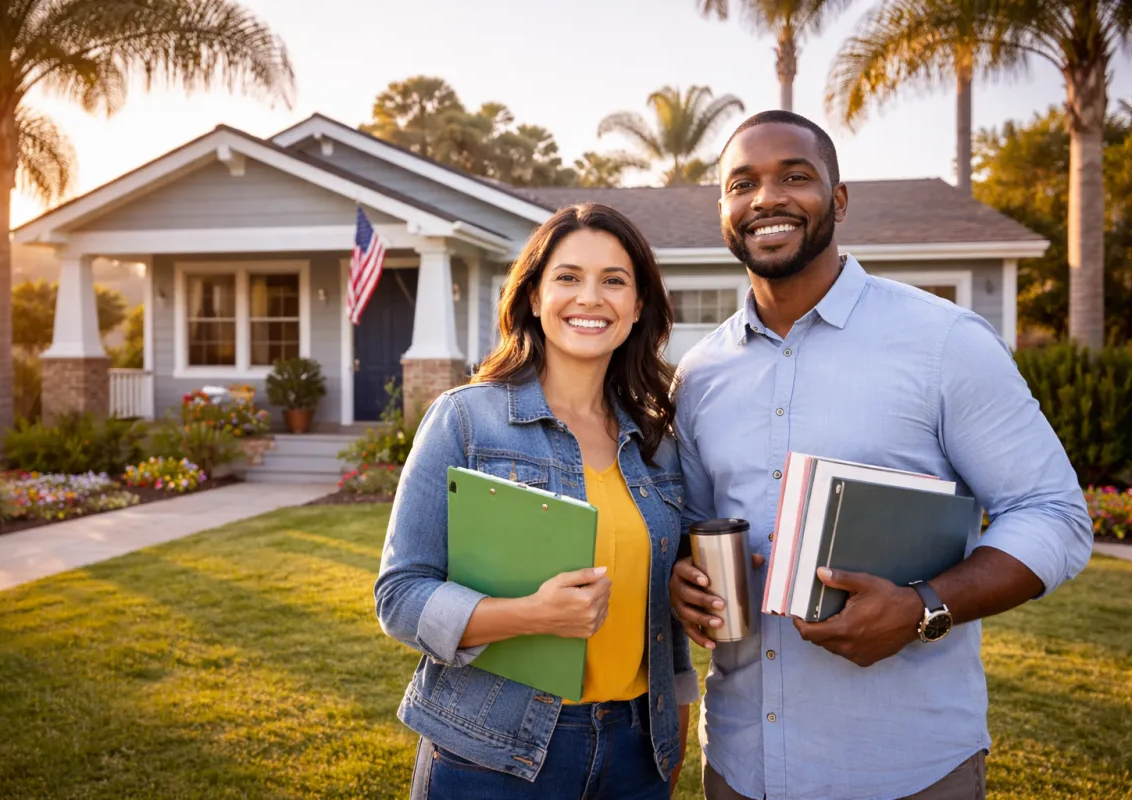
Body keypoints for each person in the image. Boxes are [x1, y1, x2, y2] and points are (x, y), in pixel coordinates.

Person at [668, 110, 1093, 800]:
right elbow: (692, 527)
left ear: (838, 200)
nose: (766, 198)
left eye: (795, 177)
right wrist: (683, 581)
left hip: (907, 769)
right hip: (742, 768)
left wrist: (925, 606)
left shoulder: (945, 342)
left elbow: (1053, 514)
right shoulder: (699, 374)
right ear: (724, 211)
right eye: (742, 184)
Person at [375, 202, 699, 800]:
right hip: (491, 753)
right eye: (568, 277)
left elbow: (664, 618)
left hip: (635, 750)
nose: (590, 298)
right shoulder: (466, 420)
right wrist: (532, 615)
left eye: (614, 281)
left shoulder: (656, 444)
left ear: (637, 307)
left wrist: (672, 730)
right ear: (533, 296)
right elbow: (399, 596)